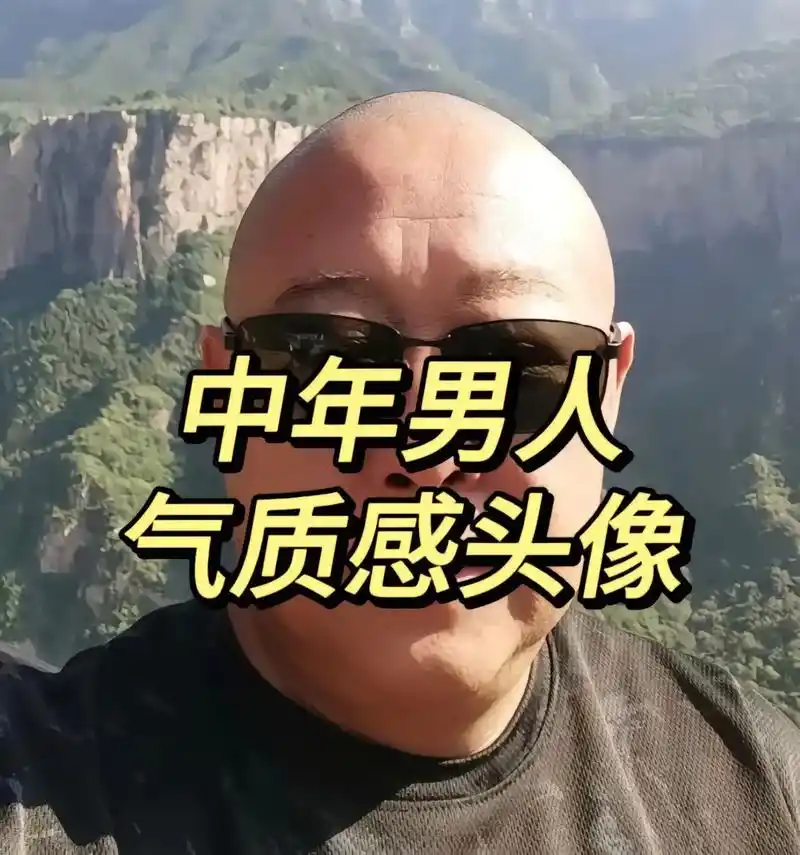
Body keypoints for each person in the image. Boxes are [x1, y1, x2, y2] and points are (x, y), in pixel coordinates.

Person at [1, 91, 798, 855]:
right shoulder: (42, 793)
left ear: (608, 393)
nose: (425, 454)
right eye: (327, 361)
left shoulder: (758, 787)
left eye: (514, 367)